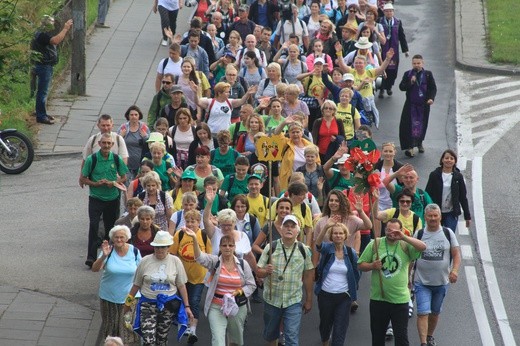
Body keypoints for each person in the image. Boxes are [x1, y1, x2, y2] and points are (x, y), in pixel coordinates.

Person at [358, 218, 426, 346]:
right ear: (385, 230)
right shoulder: (376, 244)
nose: (391, 233)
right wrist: (372, 265)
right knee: (377, 339)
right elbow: (360, 265)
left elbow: (423, 247)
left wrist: (404, 237)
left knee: (401, 339)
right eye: (388, 230)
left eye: (395, 231)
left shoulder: (405, 245)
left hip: (400, 301)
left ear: (401, 231)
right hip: (379, 299)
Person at [186, 227, 256, 346]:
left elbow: (251, 285)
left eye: (230, 245)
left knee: (236, 341)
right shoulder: (214, 262)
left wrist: (239, 291)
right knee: (218, 341)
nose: (227, 248)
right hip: (216, 306)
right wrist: (193, 238)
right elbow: (199, 257)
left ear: (234, 247)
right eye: (224, 245)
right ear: (220, 247)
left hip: (237, 307)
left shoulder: (243, 264)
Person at [124, 231, 193, 346]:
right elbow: (136, 285)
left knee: (162, 339)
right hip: (148, 305)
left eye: (163, 247)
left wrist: (187, 306)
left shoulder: (175, 261)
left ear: (168, 248)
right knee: (149, 340)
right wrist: (127, 304)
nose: (159, 250)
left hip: (168, 305)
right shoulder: (145, 261)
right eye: (157, 247)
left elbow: (181, 285)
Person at [256, 215, 314, 346]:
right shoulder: (271, 247)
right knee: (271, 335)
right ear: (281, 230)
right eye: (286, 226)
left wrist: (309, 299)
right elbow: (258, 271)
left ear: (298, 231)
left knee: (291, 336)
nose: (289, 229)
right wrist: (265, 271)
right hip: (272, 299)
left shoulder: (304, 250)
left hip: (293, 300)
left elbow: (308, 274)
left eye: (293, 226)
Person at [413, 204, 461, 346]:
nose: (433, 218)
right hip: (421, 282)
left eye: (435, 216)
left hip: (441, 282)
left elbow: (456, 253)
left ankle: (429, 336)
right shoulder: (419, 234)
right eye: (430, 216)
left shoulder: (448, 233)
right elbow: (411, 256)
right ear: (425, 217)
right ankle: (423, 343)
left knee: (434, 312)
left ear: (440, 217)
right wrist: (408, 276)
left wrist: (455, 271)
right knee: (422, 312)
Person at [80, 133, 129, 268]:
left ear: (112, 145)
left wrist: (113, 182)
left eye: (109, 143)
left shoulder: (116, 158)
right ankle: (91, 258)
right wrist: (96, 184)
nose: (106, 146)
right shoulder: (92, 159)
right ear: (100, 144)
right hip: (96, 198)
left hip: (113, 198)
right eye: (104, 143)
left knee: (111, 229)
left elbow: (124, 177)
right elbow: (84, 178)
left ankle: (110, 257)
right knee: (94, 226)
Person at [92, 225, 141, 345]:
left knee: (127, 327)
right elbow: (95, 269)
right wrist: (103, 255)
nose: (119, 240)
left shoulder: (134, 251)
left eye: (122, 237)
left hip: (130, 297)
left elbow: (141, 271)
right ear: (112, 239)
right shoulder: (109, 251)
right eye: (116, 237)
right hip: (109, 297)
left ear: (127, 238)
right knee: (110, 328)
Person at [169, 210, 212, 344]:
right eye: (188, 221)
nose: (190, 224)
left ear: (199, 223)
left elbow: (209, 256)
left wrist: (210, 275)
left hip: (198, 276)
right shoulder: (179, 234)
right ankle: (184, 323)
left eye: (193, 221)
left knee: (194, 301)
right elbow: (172, 253)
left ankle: (192, 328)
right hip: (182, 276)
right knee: (182, 301)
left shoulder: (203, 235)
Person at [314, 222, 360, 346]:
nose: (338, 235)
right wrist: (325, 227)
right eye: (335, 233)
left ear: (345, 236)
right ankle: (325, 341)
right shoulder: (327, 249)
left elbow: (356, 273)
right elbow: (317, 245)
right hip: (325, 294)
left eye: (341, 233)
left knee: (340, 327)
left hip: (344, 296)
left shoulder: (351, 253)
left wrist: (353, 291)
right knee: (325, 324)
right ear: (331, 236)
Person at [31, 16, 73, 124]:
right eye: (52, 23)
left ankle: (42, 112)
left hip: (45, 66)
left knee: (43, 92)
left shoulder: (42, 33)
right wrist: (65, 28)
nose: (53, 25)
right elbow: (55, 41)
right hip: (44, 66)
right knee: (42, 92)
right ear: (47, 24)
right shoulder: (42, 35)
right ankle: (41, 116)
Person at [398, 54, 437, 157]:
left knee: (421, 125)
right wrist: (410, 82)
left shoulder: (428, 74)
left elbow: (433, 88)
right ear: (412, 64)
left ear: (422, 63)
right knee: (408, 126)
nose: (416, 65)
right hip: (410, 105)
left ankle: (419, 143)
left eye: (418, 63)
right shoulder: (408, 74)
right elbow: (401, 87)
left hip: (423, 105)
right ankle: (410, 147)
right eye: (414, 63)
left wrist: (431, 98)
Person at [425, 149, 471, 232]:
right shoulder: (434, 175)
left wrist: (467, 216)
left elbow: (463, 197)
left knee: (449, 236)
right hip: (436, 213)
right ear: (442, 160)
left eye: (451, 158)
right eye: (446, 158)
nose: (449, 160)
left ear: (455, 161)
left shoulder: (458, 177)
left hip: (451, 213)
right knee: (435, 235)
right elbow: (427, 194)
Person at [191, 81, 257, 134]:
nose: (229, 94)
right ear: (219, 93)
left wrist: (248, 93)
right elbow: (198, 102)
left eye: (229, 92)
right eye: (226, 92)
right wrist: (195, 93)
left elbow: (242, 101)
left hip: (226, 133)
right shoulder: (210, 102)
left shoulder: (230, 102)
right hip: (212, 133)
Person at [273, 117, 319, 191]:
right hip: (289, 181)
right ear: (289, 134)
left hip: (307, 181)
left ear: (302, 132)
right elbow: (276, 134)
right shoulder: (286, 143)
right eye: (293, 132)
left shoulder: (310, 146)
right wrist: (284, 123)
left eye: (297, 132)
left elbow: (317, 164)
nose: (295, 134)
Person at [378, 3, 409, 98]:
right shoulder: (379, 22)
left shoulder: (397, 22)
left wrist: (405, 50)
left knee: (392, 70)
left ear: (393, 12)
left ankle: (389, 87)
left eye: (391, 11)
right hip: (383, 50)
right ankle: (381, 88)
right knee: (383, 69)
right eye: (387, 11)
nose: (389, 13)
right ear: (384, 12)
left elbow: (402, 36)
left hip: (394, 51)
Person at [118, 105, 150, 180]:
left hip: (140, 163)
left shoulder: (144, 128)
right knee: (127, 184)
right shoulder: (123, 127)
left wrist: (145, 137)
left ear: (139, 116)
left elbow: (150, 144)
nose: (134, 117)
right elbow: (116, 143)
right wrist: (121, 136)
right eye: (131, 115)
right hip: (126, 162)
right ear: (128, 116)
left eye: (136, 115)